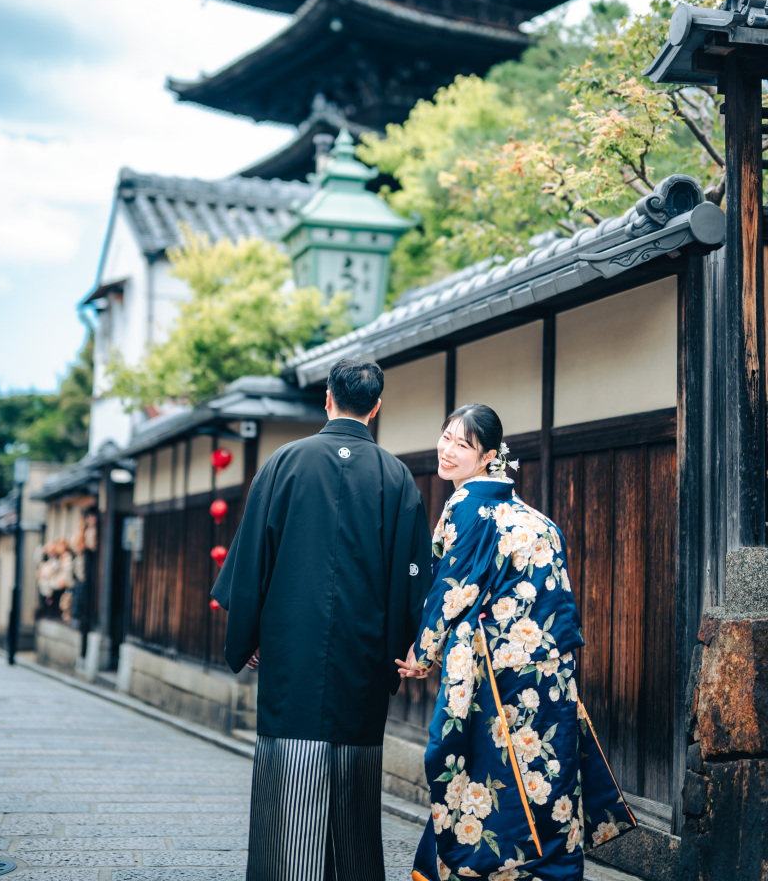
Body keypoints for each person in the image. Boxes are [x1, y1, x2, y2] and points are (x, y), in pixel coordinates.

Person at [212, 358, 432, 881]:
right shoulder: (396, 477)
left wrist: (248, 637)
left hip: (290, 654)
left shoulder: (282, 463)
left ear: (327, 399)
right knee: (352, 789)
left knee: (286, 783)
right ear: (375, 407)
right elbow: (413, 577)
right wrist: (404, 650)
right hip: (360, 660)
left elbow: (250, 564)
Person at [397, 404, 635, 881]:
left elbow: (451, 589)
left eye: (462, 444)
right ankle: (553, 869)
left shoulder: (466, 505)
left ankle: (475, 867)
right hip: (549, 672)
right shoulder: (539, 521)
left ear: (487, 456)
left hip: (492, 671)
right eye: (446, 437)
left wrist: (422, 655)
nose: (447, 450)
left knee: (474, 767)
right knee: (545, 769)